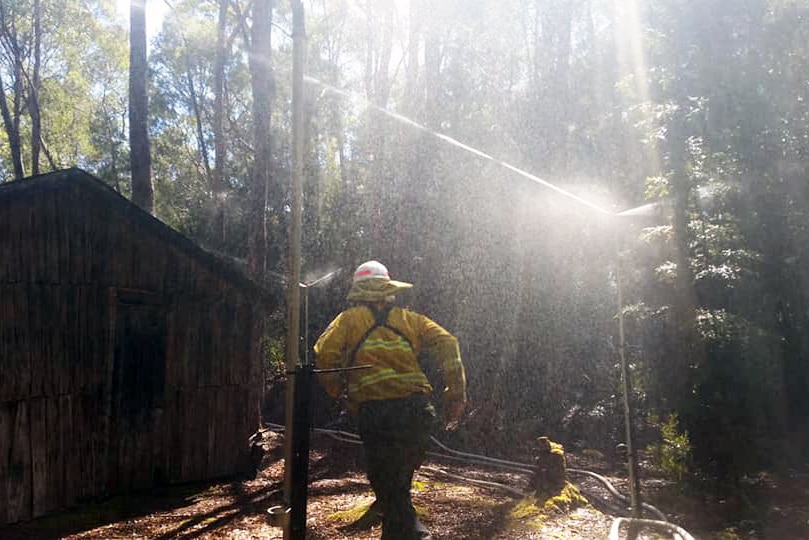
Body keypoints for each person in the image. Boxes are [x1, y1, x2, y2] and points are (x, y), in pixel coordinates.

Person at [314, 260, 467, 540]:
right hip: (418, 411)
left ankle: (416, 534)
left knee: (386, 482)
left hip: (377, 413)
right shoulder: (410, 319)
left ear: (357, 291)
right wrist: (455, 394)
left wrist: (338, 391)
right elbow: (449, 343)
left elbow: (324, 355)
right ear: (388, 288)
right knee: (398, 483)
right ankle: (397, 534)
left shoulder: (348, 320)